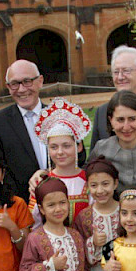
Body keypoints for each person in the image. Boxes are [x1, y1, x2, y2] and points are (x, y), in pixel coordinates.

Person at [0, 60, 61, 202]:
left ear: (40, 81)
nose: (21, 89)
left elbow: (78, 158)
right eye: (15, 84)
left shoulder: (59, 116)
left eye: (27, 81)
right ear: (8, 87)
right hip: (20, 205)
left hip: (61, 203)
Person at [72, 157, 120, 271]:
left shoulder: (125, 210)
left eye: (105, 184)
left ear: (115, 183)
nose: (100, 190)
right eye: (94, 185)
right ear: (88, 187)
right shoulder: (84, 217)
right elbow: (78, 253)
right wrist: (92, 243)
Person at [28, 97, 92, 227]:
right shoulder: (41, 182)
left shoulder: (89, 180)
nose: (60, 152)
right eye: (54, 147)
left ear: (78, 147)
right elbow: (34, 224)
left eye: (66, 146)